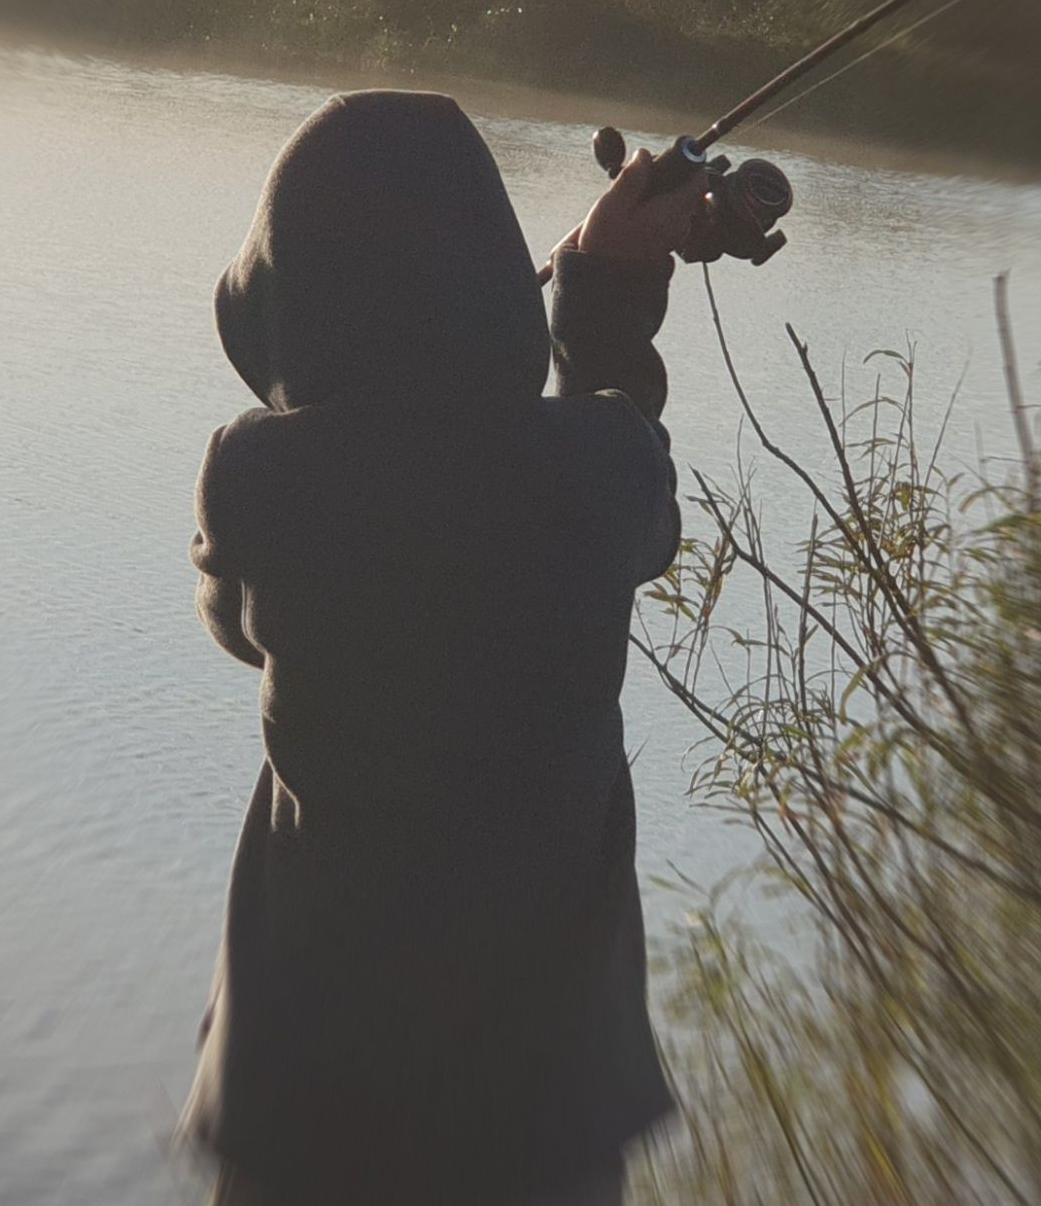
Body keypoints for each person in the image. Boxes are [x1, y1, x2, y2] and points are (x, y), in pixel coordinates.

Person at [178, 90, 703, 1206]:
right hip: (542, 1119)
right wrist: (602, 302)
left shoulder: (258, 480)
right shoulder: (600, 475)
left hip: (307, 1105)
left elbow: (230, 618)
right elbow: (626, 454)